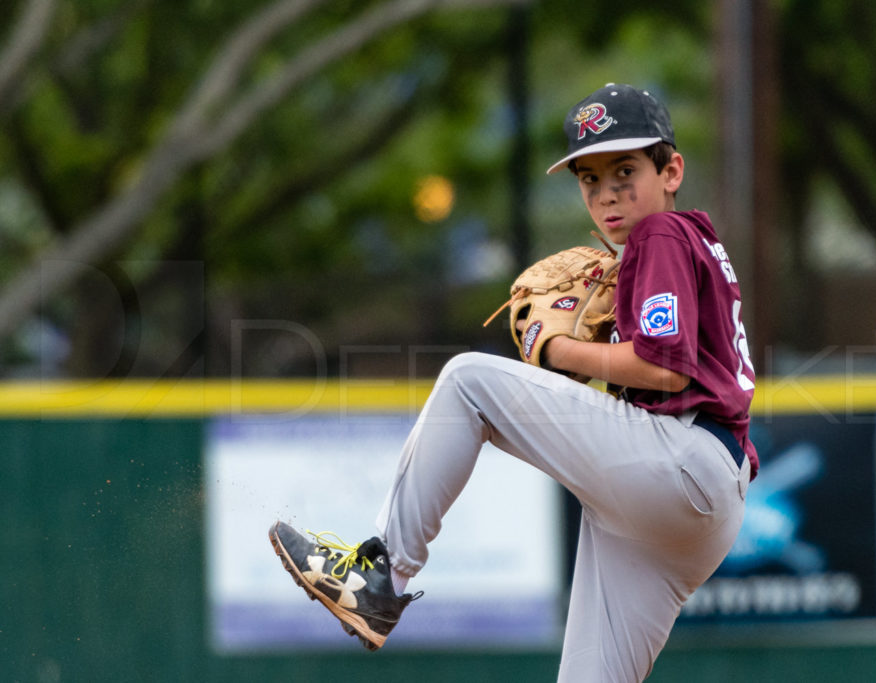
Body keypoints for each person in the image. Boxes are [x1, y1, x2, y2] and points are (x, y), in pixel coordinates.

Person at [269, 82, 758, 682]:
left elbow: (665, 363)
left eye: (625, 170)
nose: (608, 194)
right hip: (694, 502)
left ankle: (383, 576)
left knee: (468, 381)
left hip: (680, 461)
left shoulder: (659, 235)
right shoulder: (696, 240)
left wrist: (561, 350)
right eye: (590, 179)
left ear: (672, 169)